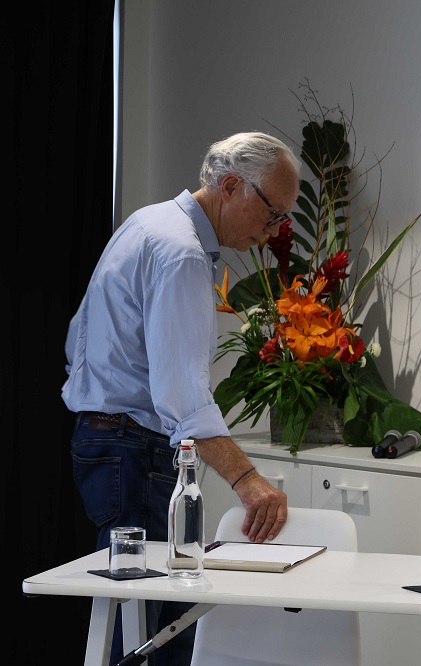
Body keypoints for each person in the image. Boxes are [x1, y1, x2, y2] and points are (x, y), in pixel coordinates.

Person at [63, 131, 295, 665]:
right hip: (134, 449)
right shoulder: (184, 253)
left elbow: (78, 338)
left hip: (106, 441)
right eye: (273, 214)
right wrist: (248, 480)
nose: (274, 231)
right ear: (231, 186)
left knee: (135, 622)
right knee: (158, 635)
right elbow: (182, 397)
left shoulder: (148, 223)